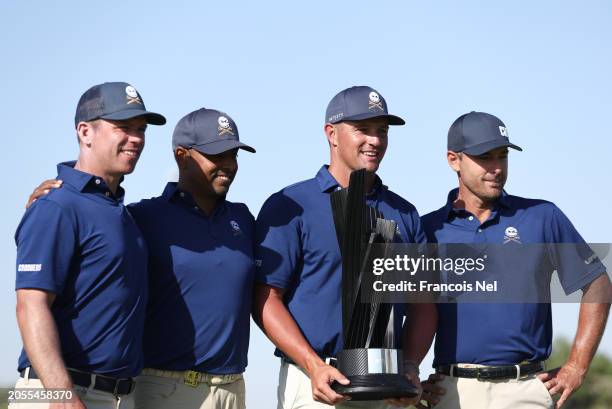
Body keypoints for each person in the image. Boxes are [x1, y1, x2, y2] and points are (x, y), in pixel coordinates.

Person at [25, 108, 256, 409]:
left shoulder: (243, 220)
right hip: (162, 387)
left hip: (232, 387)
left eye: (233, 155)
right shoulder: (140, 218)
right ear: (182, 156)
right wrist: (50, 200)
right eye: (217, 155)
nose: (227, 165)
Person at [252, 86, 437, 409]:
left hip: (386, 386)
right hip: (316, 384)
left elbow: (423, 304)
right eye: (363, 130)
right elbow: (266, 299)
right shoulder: (291, 205)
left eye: (382, 131)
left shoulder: (404, 213)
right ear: (331, 134)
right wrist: (313, 365)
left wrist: (409, 366)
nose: (375, 141)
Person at [418, 111, 611, 409]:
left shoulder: (543, 217)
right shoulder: (427, 229)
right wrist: (404, 371)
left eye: (502, 156)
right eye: (485, 157)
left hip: (525, 392)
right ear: (453, 160)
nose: (497, 168)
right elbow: (400, 311)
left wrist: (577, 365)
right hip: (451, 392)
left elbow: (598, 284)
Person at [13, 82, 166, 409]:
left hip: (116, 396)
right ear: (85, 132)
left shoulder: (120, 212)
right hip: (59, 393)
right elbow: (31, 306)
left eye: (141, 129)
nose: (136, 138)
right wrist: (62, 396)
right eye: (123, 128)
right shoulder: (56, 206)